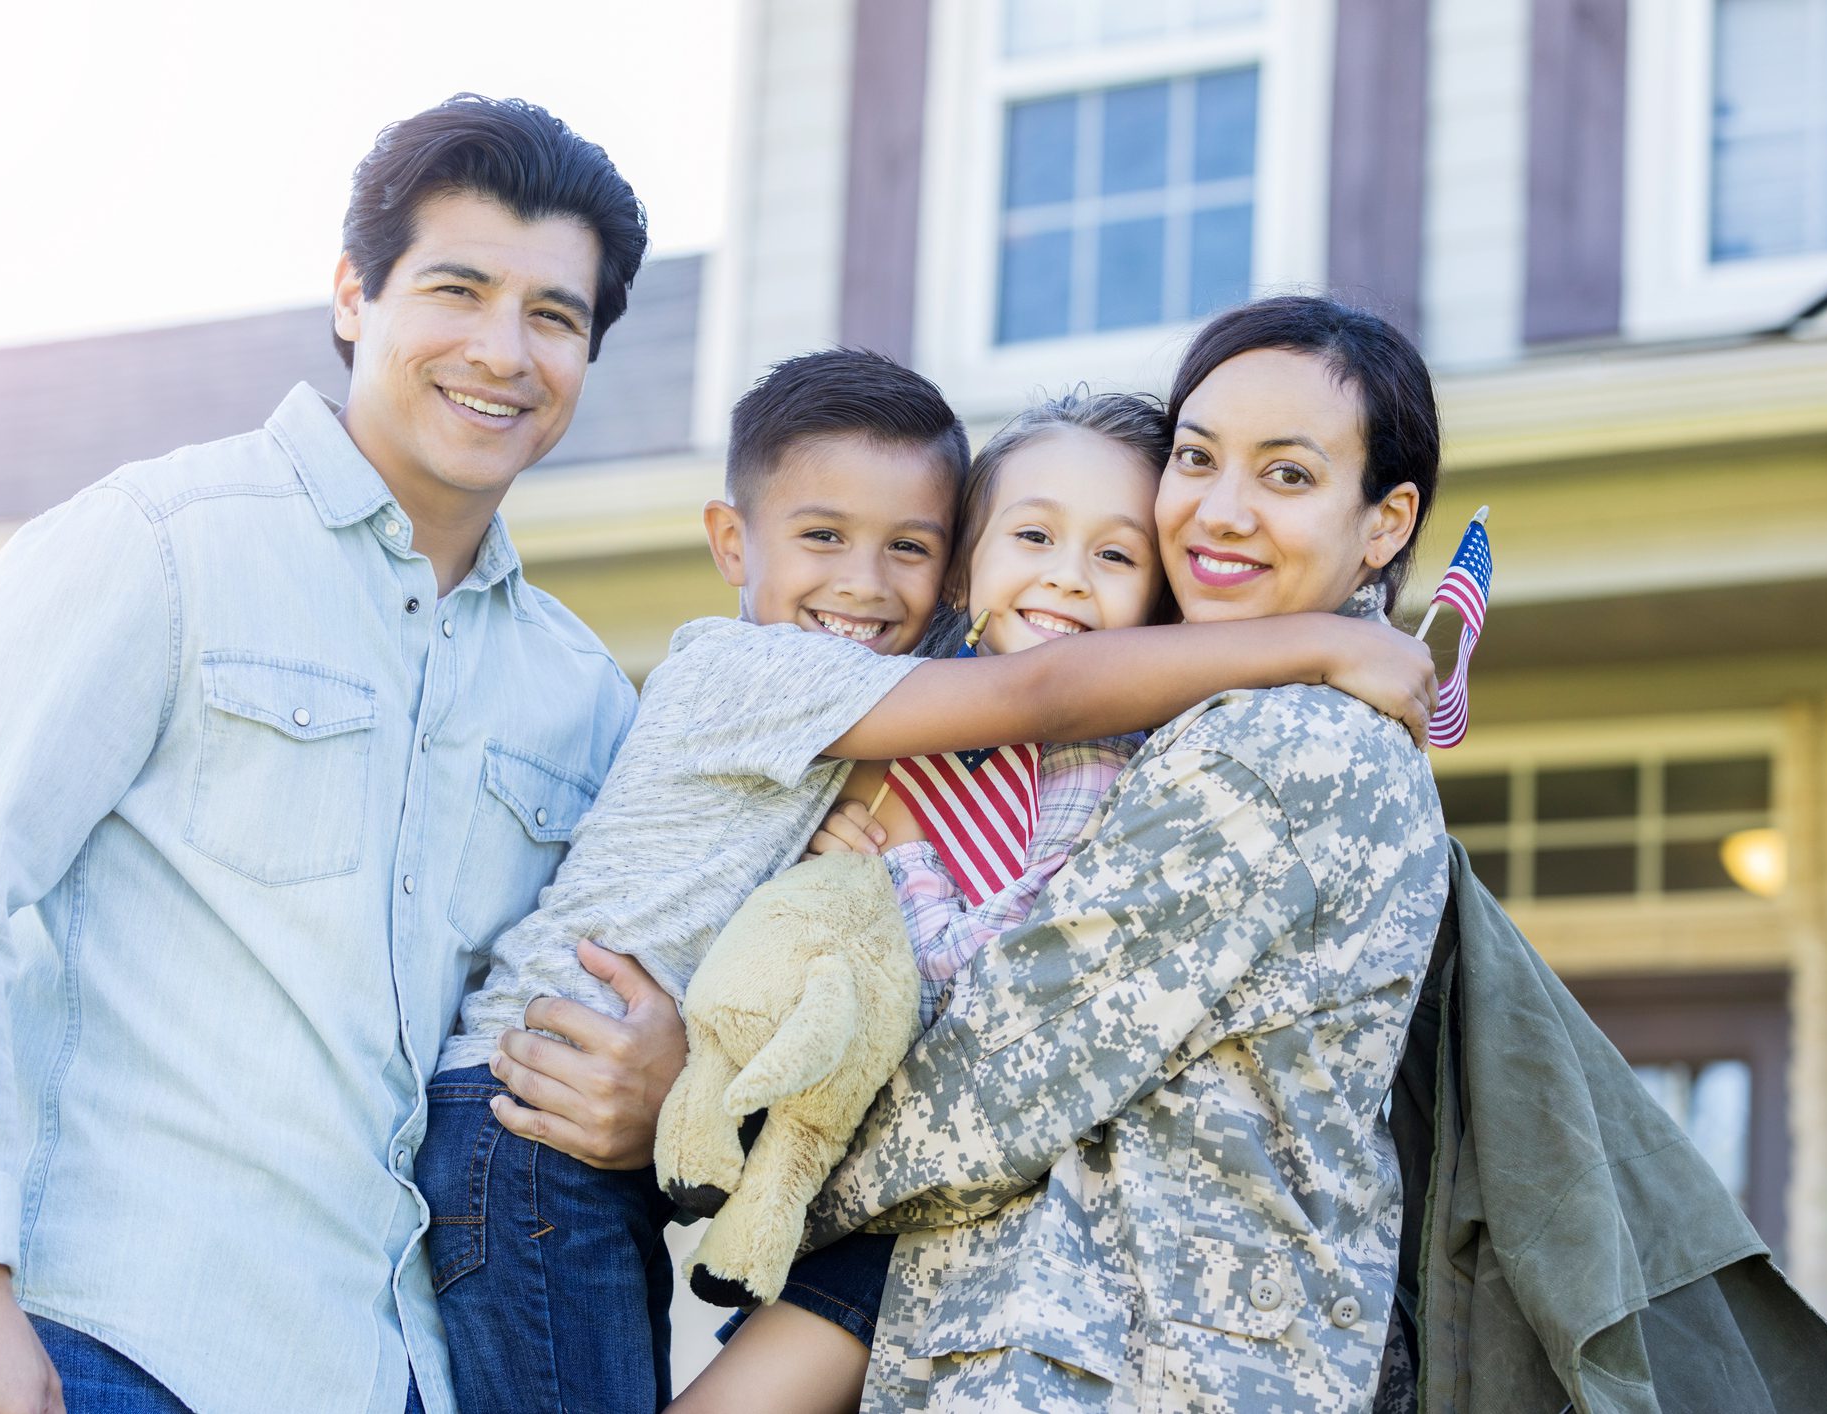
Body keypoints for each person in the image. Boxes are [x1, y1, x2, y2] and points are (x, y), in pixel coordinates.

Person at [0, 94, 686, 1414]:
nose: (504, 351)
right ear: (351, 295)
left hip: (417, 1376)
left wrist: (658, 1088)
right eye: (459, 288)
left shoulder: (582, 698)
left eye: (553, 316)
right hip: (121, 1353)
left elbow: (593, 994)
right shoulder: (157, 546)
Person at [424, 350, 1439, 1412]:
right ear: (733, 539)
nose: (864, 583)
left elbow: (997, 1047)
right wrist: (1316, 640)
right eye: (824, 537)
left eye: (904, 547)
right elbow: (1043, 686)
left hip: (623, 1130)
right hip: (538, 1104)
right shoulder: (763, 675)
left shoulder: (1174, 757)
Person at [783, 295, 1456, 1412]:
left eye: (1287, 476)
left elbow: (994, 1086)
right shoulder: (1199, 716)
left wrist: (732, 1153)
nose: (1222, 512)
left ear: (1383, 523)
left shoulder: (1277, 744)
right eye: (1197, 459)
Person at [671, 388, 1179, 1413]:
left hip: (939, 1224)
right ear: (964, 564)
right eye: (1033, 533)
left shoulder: (1091, 763)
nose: (1066, 576)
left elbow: (998, 978)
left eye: (1116, 557)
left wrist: (899, 863)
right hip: (832, 1195)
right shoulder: (900, 699)